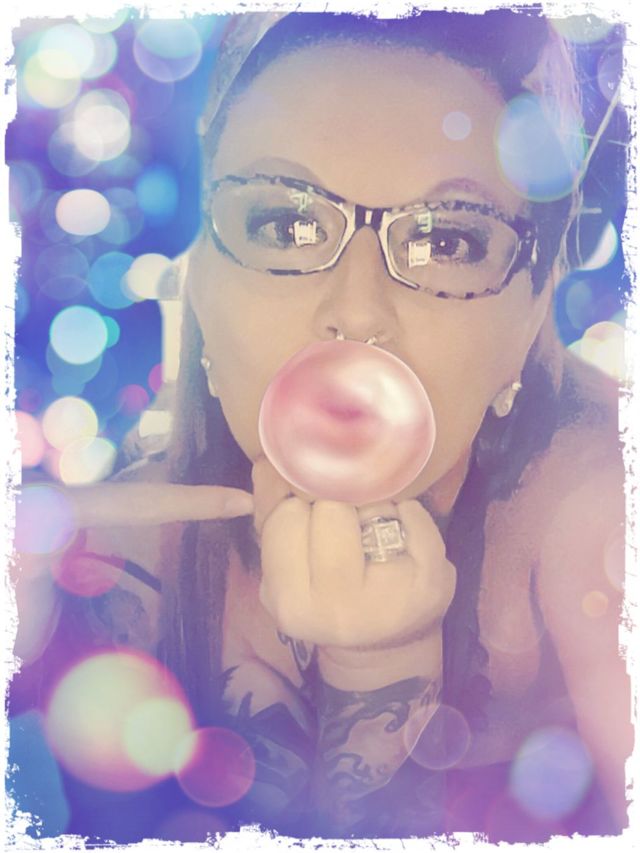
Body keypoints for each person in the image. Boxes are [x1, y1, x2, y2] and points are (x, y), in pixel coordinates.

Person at [13, 8, 632, 843]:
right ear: (201, 280)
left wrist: (381, 667)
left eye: (449, 239)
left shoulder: (603, 540)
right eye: (285, 223)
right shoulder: (90, 565)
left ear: (531, 311)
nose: (357, 309)